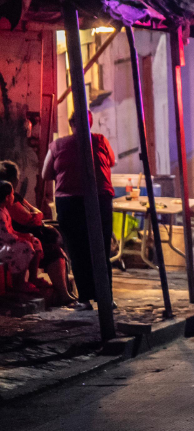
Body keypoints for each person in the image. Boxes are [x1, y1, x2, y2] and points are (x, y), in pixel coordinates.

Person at [41, 112, 115, 311]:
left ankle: (85, 299)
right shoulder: (100, 141)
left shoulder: (58, 145)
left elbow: (45, 174)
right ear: (90, 123)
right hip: (98, 199)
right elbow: (111, 162)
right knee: (100, 249)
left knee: (78, 251)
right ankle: (105, 297)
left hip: (70, 201)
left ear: (71, 123)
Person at [0, 160, 72, 305]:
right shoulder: (7, 204)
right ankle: (21, 283)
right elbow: (31, 218)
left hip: (18, 237)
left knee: (40, 242)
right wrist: (23, 237)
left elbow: (36, 215)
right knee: (50, 250)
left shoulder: (14, 198)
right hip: (8, 243)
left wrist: (27, 234)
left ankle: (39, 280)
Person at [0, 181, 39, 289]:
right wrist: (21, 239)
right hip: (2, 247)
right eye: (12, 194)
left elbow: (11, 230)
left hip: (8, 242)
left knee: (35, 241)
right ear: (7, 197)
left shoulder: (5, 210)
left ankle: (33, 278)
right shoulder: (0, 214)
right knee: (26, 247)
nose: (14, 197)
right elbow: (5, 236)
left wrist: (25, 236)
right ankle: (18, 281)